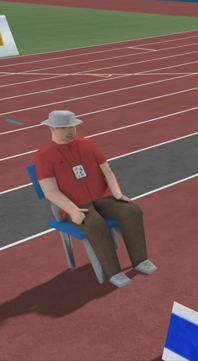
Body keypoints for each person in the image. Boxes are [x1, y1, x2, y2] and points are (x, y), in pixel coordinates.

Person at [33, 111, 155, 288]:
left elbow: (107, 171)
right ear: (52, 128)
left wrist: (118, 194)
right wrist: (72, 210)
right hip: (75, 204)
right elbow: (50, 191)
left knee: (132, 210)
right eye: (64, 127)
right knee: (95, 224)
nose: (70, 131)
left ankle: (140, 260)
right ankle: (114, 272)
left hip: (102, 197)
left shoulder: (88, 144)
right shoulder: (43, 155)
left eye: (72, 126)